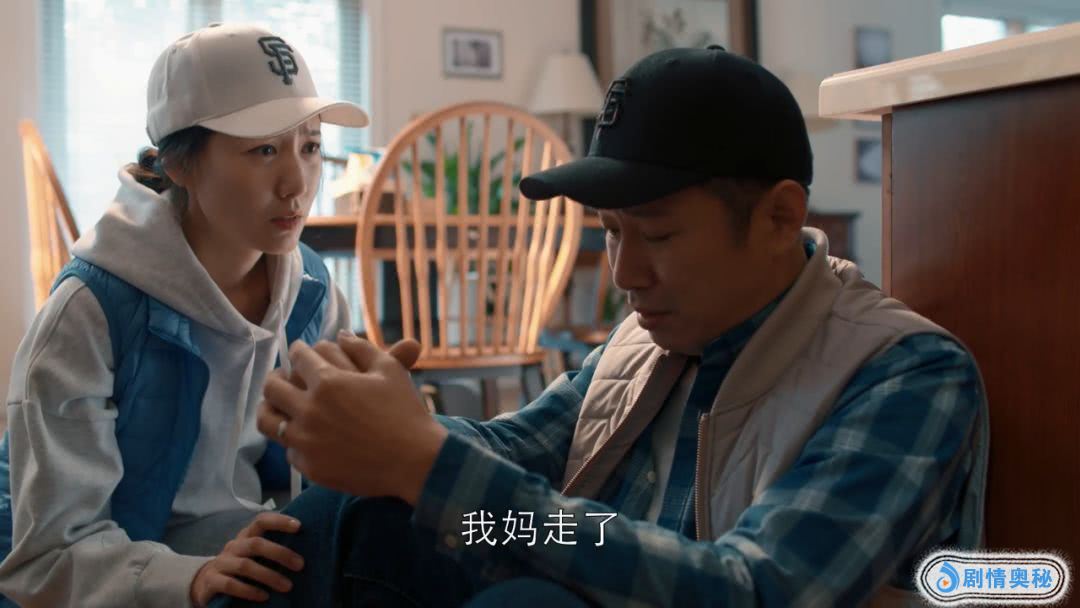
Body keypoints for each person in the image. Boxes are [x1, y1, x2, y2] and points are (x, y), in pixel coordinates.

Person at [237, 45, 989, 607]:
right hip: (585, 551)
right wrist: (391, 424)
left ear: (779, 217)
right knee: (357, 510)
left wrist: (424, 460)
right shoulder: (651, 335)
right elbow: (520, 447)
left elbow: (757, 590)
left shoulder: (904, 373)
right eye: (610, 231)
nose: (625, 275)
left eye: (656, 234)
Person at [0, 23, 371, 608]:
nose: (296, 184)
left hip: (248, 550)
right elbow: (46, 556)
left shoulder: (312, 293)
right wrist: (191, 580)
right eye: (263, 150)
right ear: (178, 163)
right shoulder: (92, 313)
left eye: (310, 146)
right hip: (114, 580)